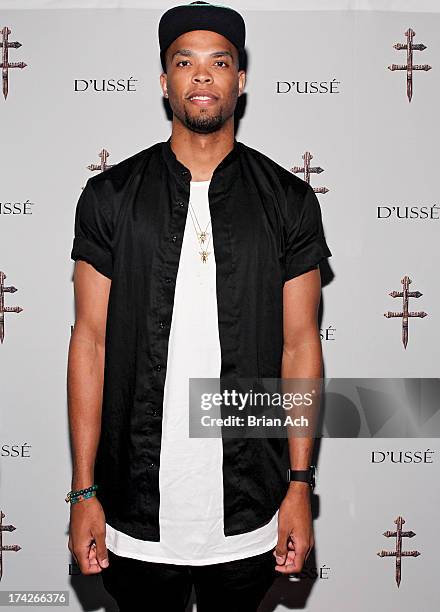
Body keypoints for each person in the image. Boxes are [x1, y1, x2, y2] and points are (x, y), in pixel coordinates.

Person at [66, 2, 332, 610]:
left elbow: (300, 345)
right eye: (185, 62)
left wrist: (298, 486)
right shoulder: (110, 197)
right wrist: (84, 493)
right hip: (134, 512)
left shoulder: (287, 201)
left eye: (220, 62)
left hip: (251, 509)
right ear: (165, 83)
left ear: (241, 80)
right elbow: (90, 343)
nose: (203, 76)